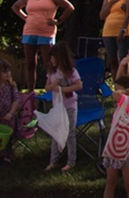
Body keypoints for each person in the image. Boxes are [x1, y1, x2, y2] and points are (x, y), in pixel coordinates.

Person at [12, 0, 75, 90]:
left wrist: (58, 20)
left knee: (49, 63)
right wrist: (25, 17)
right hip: (29, 32)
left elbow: (69, 7)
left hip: (46, 33)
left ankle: (51, 88)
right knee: (30, 63)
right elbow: (15, 7)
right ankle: (31, 91)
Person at [43, 43, 82, 171]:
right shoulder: (52, 72)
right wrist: (53, 85)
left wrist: (64, 89)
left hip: (69, 106)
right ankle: (53, 160)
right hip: (57, 108)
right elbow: (47, 87)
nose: (51, 60)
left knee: (70, 133)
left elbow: (78, 85)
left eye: (53, 57)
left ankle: (71, 161)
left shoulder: (70, 71)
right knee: (55, 133)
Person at [104, 74, 129, 198]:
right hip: (115, 143)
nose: (116, 91)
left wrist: (124, 91)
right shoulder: (122, 103)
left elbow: (116, 95)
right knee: (110, 182)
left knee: (128, 183)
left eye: (118, 88)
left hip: (126, 146)